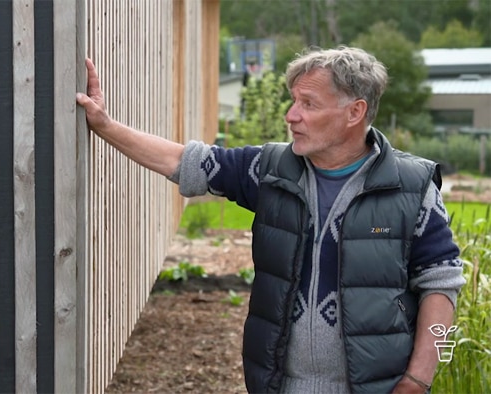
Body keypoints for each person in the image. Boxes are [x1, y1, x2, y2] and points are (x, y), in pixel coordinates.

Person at [76, 46, 465, 393]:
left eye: (308, 104)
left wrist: (418, 380)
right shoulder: (269, 170)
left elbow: (442, 285)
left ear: (355, 112)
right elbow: (182, 161)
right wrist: (105, 126)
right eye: (293, 101)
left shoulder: (412, 188)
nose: (291, 115)